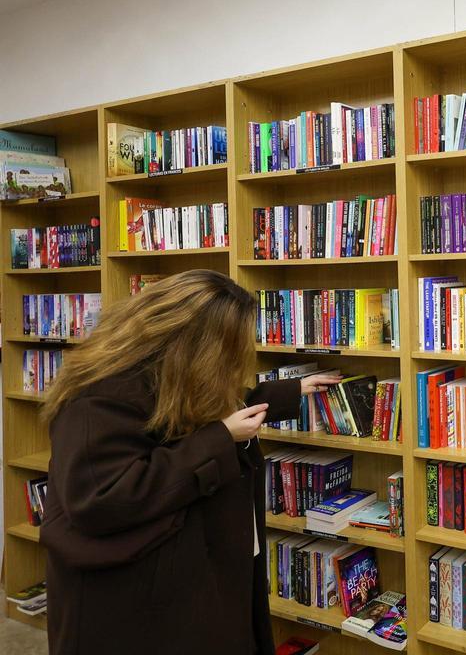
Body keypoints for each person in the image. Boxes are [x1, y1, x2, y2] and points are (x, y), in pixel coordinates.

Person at [39, 269, 342, 655]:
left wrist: (287, 391)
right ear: (193, 345)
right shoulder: (97, 397)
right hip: (139, 603)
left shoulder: (162, 373)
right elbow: (102, 498)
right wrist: (221, 438)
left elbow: (188, 415)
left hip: (189, 582)